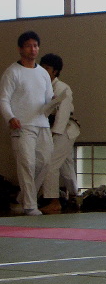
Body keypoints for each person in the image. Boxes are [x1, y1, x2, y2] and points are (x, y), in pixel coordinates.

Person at [0, 31, 54, 216]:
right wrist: (10, 117)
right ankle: (30, 205)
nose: (33, 49)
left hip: (42, 124)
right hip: (22, 126)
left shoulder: (43, 74)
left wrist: (54, 103)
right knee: (26, 164)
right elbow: (4, 99)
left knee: (45, 162)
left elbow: (48, 98)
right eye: (29, 46)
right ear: (20, 49)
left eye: (36, 45)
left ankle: (22, 197)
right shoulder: (12, 72)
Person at [39, 53, 80, 214]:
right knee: (66, 164)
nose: (43, 70)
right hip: (52, 129)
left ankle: (54, 201)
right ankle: (75, 197)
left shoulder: (62, 87)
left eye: (47, 68)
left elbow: (63, 113)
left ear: (55, 71)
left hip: (64, 130)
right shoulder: (43, 87)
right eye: (41, 67)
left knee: (50, 164)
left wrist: (55, 133)